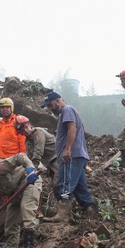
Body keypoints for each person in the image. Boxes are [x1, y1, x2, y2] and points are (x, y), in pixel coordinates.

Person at [41, 91, 98, 222]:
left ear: (57, 100)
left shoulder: (67, 109)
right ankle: (92, 212)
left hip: (71, 156)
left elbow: (72, 129)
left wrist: (68, 150)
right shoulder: (68, 112)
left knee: (65, 185)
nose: (50, 109)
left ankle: (63, 215)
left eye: (50, 105)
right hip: (78, 155)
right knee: (80, 188)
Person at [14, 115, 58, 183]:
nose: (25, 130)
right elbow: (29, 157)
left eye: (26, 127)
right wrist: (27, 169)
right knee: (56, 188)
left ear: (29, 124)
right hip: (50, 165)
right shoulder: (28, 141)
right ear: (20, 133)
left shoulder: (38, 132)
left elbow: (38, 151)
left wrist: (33, 169)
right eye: (22, 130)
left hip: (58, 160)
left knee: (59, 185)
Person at [0, 97, 27, 166]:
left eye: (7, 107)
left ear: (11, 108)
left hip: (13, 163)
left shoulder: (18, 123)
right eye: (2, 107)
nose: (5, 109)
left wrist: (23, 162)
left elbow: (23, 144)